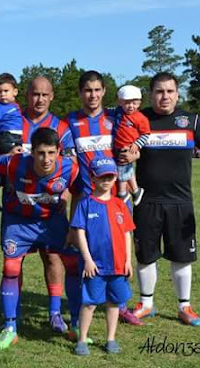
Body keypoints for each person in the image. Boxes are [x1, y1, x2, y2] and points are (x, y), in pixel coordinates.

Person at [121, 72, 200, 326]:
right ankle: (146, 304)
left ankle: (184, 306)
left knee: (182, 256)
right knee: (146, 255)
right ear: (150, 95)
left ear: (178, 94)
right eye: (159, 91)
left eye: (170, 91)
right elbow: (123, 150)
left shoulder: (190, 121)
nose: (165, 96)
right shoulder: (140, 119)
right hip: (145, 201)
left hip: (181, 202)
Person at [0, 127, 79, 349]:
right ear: (32, 152)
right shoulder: (15, 163)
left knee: (73, 265)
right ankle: (10, 328)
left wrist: (74, 226)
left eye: (51, 153)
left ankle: (72, 322)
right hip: (18, 222)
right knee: (11, 268)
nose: (46, 159)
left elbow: (80, 192)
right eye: (41, 153)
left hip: (52, 222)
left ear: (58, 152)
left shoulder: (69, 168)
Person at [64, 70, 141, 326]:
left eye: (97, 90)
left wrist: (135, 152)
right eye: (88, 90)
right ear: (80, 93)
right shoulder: (70, 122)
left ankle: (121, 305)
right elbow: (66, 159)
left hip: (117, 200)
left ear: (105, 91)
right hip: (85, 202)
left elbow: (138, 134)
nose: (93, 95)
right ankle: (76, 311)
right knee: (81, 257)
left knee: (119, 255)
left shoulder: (116, 117)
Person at [71, 157, 135, 356]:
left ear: (116, 177)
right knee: (89, 303)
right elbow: (79, 233)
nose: (106, 181)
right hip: (95, 267)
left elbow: (127, 233)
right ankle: (82, 339)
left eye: (110, 176)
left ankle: (111, 339)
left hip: (117, 266)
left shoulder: (120, 204)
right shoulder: (85, 204)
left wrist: (128, 260)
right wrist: (88, 259)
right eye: (101, 177)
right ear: (92, 178)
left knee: (114, 303)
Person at [0, 73, 23, 211]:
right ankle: (6, 193)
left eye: (6, 91)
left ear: (15, 92)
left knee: (3, 168)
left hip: (16, 138)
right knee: (10, 165)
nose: (2, 94)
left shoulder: (15, 105)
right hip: (7, 138)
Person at [113, 85, 150, 205]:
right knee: (128, 169)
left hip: (128, 147)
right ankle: (136, 190)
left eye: (134, 103)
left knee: (122, 167)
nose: (131, 106)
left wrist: (136, 145)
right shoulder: (118, 113)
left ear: (139, 103)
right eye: (127, 103)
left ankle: (123, 192)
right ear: (120, 102)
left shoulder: (140, 118)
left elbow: (145, 134)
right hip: (117, 146)